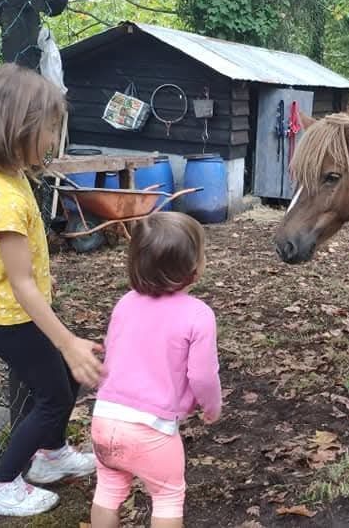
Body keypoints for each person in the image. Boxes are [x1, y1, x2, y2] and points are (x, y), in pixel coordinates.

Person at [0, 63, 105, 516]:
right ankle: (0, 485)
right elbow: (20, 285)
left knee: (64, 375)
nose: (54, 138)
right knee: (53, 393)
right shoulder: (1, 195)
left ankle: (52, 456)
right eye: (50, 127)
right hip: (5, 315)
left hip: (6, 306)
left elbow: (18, 266)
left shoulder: (0, 175)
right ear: (18, 127)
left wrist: (43, 280)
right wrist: (69, 340)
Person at [90, 212, 222, 528]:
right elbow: (202, 376)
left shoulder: (124, 303)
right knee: (167, 497)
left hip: (104, 420)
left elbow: (114, 350)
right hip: (151, 431)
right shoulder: (198, 315)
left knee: (108, 489)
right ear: (195, 267)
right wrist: (211, 407)